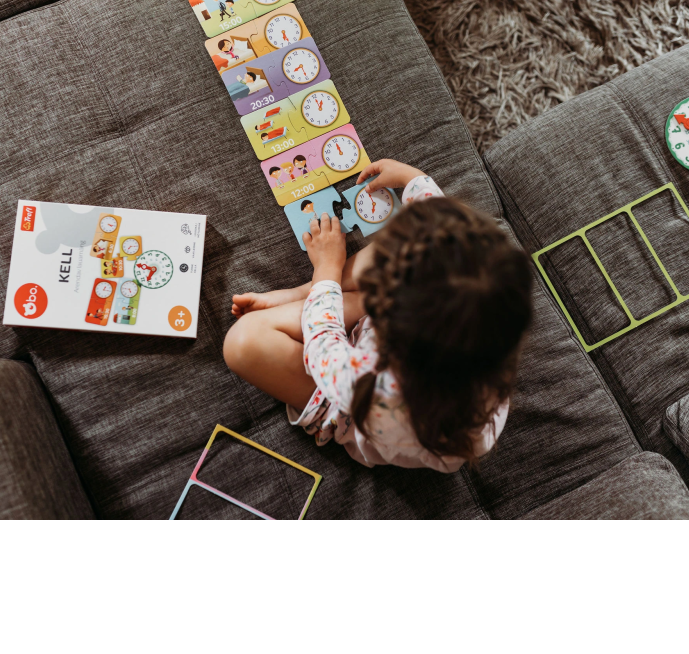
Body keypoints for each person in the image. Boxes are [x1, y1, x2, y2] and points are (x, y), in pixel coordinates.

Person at [223, 159, 533, 471]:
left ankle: (318, 290)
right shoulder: (485, 325)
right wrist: (414, 180)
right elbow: (449, 242)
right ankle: (306, 293)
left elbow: (324, 345)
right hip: (408, 341)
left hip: (351, 404)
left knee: (242, 342)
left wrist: (327, 268)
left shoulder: (379, 385)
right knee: (417, 245)